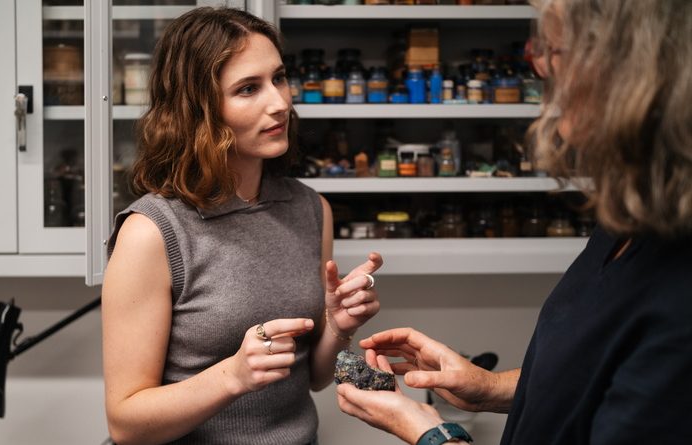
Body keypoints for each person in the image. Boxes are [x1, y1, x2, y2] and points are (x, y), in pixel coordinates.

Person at [337, 0, 692, 444]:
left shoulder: (679, 295)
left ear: (627, 72)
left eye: (555, 49)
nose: (538, 63)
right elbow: (591, 375)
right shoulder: (632, 217)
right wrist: (487, 386)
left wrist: (433, 435)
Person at [101, 7, 383, 445]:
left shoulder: (311, 209)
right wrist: (232, 375)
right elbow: (126, 423)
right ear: (198, 111)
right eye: (248, 88)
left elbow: (315, 378)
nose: (280, 102)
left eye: (279, 78)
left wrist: (339, 326)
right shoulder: (152, 232)